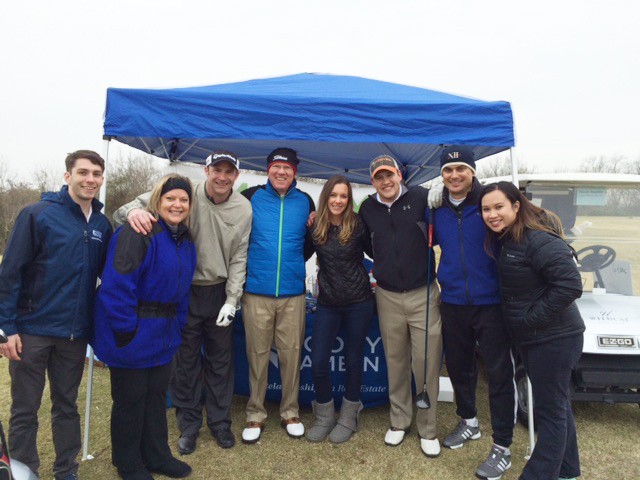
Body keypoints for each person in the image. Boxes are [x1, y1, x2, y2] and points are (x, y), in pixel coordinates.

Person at [113, 151, 252, 454]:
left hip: (218, 292)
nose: (222, 176)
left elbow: (240, 256)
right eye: (217, 169)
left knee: (220, 363)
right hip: (182, 291)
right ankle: (188, 425)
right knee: (185, 363)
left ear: (237, 177)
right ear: (206, 170)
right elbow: (129, 209)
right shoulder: (184, 191)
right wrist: (132, 214)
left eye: (229, 171)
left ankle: (219, 423)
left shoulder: (244, 208)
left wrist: (232, 299)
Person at [0, 150, 112, 480]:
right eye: (83, 172)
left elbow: (108, 276)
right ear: (68, 177)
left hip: (73, 335)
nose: (90, 179)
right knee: (24, 409)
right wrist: (6, 327)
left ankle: (66, 470)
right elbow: (10, 274)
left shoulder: (102, 225)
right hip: (31, 331)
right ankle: (23, 471)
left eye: (96, 174)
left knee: (67, 406)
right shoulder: (37, 215)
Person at [93, 174, 197, 480]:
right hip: (133, 332)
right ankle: (128, 463)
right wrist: (126, 331)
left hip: (163, 334)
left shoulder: (185, 239)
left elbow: (182, 288)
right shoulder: (137, 232)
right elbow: (116, 286)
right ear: (157, 201)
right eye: (170, 199)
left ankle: (156, 455)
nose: (177, 205)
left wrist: (177, 325)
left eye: (183, 200)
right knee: (130, 400)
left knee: (155, 398)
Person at [480, 181, 584, 480]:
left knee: (550, 413)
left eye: (498, 206)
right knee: (558, 405)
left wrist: (529, 319)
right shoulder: (508, 239)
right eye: (486, 209)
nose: (492, 214)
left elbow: (570, 285)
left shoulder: (538, 240)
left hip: (555, 338)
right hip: (536, 337)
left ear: (516, 205)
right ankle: (568, 472)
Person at [428, 146, 516, 480]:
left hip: (491, 302)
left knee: (497, 374)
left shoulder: (489, 201)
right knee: (460, 368)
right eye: (448, 171)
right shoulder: (435, 207)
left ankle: (503, 446)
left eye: (461, 169)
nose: (454, 176)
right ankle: (469, 422)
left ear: (472, 172)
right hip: (452, 301)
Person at [358, 155, 443, 458]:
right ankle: (399, 421)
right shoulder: (367, 208)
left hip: (423, 293)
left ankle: (428, 428)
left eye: (389, 175)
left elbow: (456, 203)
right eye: (379, 177)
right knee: (395, 361)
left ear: (399, 175)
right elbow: (369, 245)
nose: (385, 182)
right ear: (373, 182)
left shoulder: (421, 197)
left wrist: (442, 190)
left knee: (425, 362)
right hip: (388, 294)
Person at [240, 147, 315, 444]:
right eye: (276, 167)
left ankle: (290, 412)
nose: (281, 172)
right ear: (267, 169)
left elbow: (308, 243)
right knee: (257, 356)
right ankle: (255, 414)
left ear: (295, 171)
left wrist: (293, 266)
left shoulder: (305, 201)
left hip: (293, 293)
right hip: (256, 291)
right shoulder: (251, 197)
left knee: (291, 354)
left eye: (287, 168)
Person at [305, 175, 375, 444]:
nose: (338, 200)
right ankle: (324, 416)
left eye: (343, 196)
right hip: (328, 304)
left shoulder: (357, 224)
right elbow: (299, 253)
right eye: (333, 195)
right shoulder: (315, 226)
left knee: (353, 360)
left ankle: (348, 416)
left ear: (349, 200)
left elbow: (379, 251)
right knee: (319, 361)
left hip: (359, 301)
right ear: (326, 197)